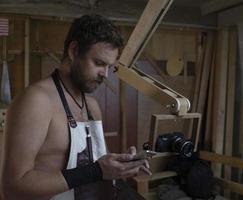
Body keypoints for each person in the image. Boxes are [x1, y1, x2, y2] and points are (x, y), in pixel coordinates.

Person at [1, 14, 151, 200]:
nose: (105, 74)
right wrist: (96, 171)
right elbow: (13, 187)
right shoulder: (37, 101)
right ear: (73, 51)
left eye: (109, 67)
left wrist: (122, 164)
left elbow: (93, 160)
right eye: (98, 63)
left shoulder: (92, 106)